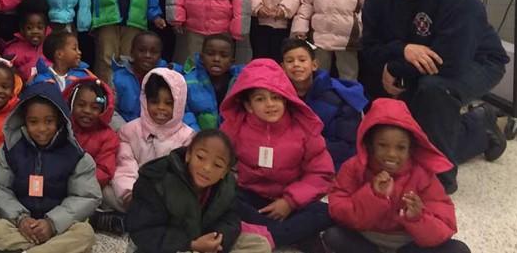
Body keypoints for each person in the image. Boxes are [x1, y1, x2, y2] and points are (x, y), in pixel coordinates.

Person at [361, 0, 508, 194]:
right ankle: (479, 127)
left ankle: (440, 180)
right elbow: (369, 48)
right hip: (418, 64)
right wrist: (402, 50)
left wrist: (395, 67)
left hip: (477, 61)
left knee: (433, 91)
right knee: (404, 131)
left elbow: (451, 60)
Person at [323, 98, 471, 253]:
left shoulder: (423, 174)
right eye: (382, 145)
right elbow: (339, 212)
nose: (392, 154)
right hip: (367, 238)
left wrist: (418, 217)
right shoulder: (353, 168)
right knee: (333, 236)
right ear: (370, 145)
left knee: (458, 250)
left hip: (408, 243)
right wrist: (373, 196)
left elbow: (445, 226)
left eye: (401, 148)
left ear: (410, 149)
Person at [219, 59, 335, 251]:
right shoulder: (235, 127)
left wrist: (289, 202)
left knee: (327, 210)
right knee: (226, 198)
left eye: (276, 97)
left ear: (286, 99)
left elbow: (321, 173)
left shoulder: (303, 129)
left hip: (292, 200)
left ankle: (268, 236)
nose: (270, 104)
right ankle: (288, 234)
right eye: (260, 99)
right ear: (248, 105)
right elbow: (217, 161)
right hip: (251, 198)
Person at [0, 83, 101, 253]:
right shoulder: (11, 150)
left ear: (60, 120)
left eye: (49, 121)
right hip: (21, 225)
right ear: (23, 121)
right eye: (33, 122)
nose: (41, 129)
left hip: (59, 227)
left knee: (85, 234)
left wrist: (52, 223)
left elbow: (86, 196)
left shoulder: (75, 155)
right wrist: (21, 218)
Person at [126, 130, 273, 253]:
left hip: (206, 244)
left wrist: (216, 240)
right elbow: (142, 231)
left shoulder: (227, 186)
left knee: (258, 244)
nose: (207, 168)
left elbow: (231, 219)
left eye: (217, 165)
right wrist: (191, 244)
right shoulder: (157, 178)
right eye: (201, 157)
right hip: (171, 247)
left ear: (225, 172)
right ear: (188, 155)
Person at [110, 68, 197, 214]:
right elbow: (125, 167)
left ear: (179, 104)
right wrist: (130, 194)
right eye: (154, 102)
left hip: (167, 199)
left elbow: (182, 177)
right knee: (106, 192)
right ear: (145, 101)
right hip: (133, 194)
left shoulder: (188, 137)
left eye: (169, 103)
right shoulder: (129, 132)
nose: (161, 108)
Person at [281, 38, 367, 171]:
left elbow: (347, 146)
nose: (296, 64)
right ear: (282, 67)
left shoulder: (339, 97)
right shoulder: (278, 98)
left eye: (302, 60)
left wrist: (304, 148)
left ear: (314, 65)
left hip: (331, 168)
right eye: (290, 61)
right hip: (289, 166)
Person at [64, 79, 123, 234]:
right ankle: (92, 219)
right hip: (57, 181)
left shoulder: (108, 136)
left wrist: (76, 181)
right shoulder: (62, 127)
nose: (87, 111)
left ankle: (92, 218)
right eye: (81, 105)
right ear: (71, 104)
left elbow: (104, 171)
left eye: (95, 107)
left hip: (87, 186)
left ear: (103, 110)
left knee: (102, 196)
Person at [111, 31, 184, 125]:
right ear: (132, 52)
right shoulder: (118, 78)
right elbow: (111, 111)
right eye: (141, 50)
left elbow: (181, 110)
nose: (147, 55)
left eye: (154, 52)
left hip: (162, 129)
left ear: (160, 55)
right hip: (126, 128)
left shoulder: (169, 77)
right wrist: (126, 129)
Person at [183, 33, 243, 130]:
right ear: (202, 57)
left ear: (232, 61)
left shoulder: (241, 82)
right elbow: (185, 113)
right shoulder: (189, 82)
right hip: (198, 136)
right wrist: (197, 135)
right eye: (210, 54)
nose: (216, 59)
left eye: (224, 55)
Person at [3, 0, 51, 82]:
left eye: (39, 27)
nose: (35, 31)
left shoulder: (52, 44)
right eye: (29, 28)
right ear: (22, 29)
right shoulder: (13, 51)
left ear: (45, 28)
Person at [31, 31, 96, 91]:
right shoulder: (42, 79)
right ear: (59, 54)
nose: (79, 52)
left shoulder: (82, 76)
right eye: (74, 49)